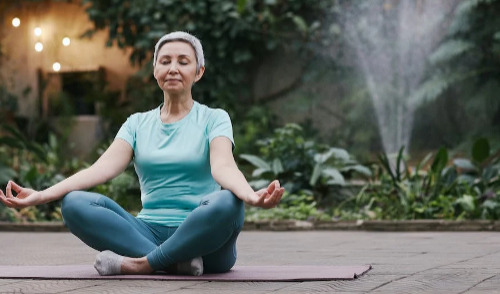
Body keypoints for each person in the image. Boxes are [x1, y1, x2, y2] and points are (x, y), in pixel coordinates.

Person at [0, 31, 284, 276]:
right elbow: (99, 170)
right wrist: (41, 195)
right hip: (146, 232)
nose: (173, 68)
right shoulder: (136, 124)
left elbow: (223, 167)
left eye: (183, 62)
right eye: (165, 61)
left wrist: (250, 195)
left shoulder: (214, 118)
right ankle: (173, 263)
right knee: (74, 204)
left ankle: (142, 265)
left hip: (205, 242)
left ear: (198, 72)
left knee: (228, 203)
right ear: (155, 70)